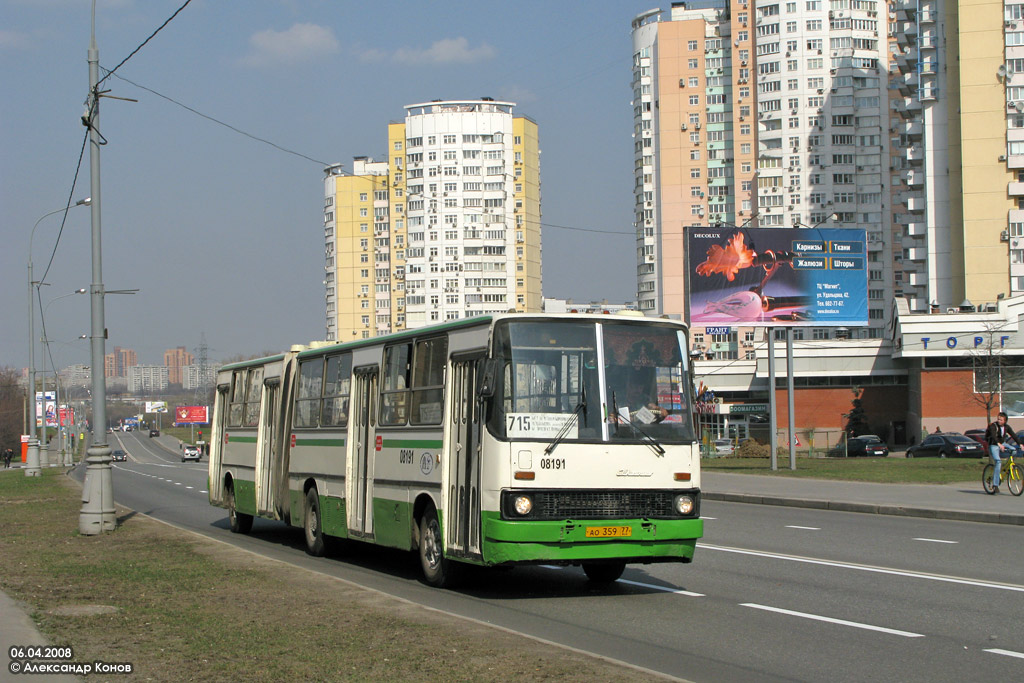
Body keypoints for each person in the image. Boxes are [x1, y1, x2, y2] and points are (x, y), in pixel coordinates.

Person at [984, 412, 1020, 494]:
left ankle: (1008, 467)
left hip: (1002, 444)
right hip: (993, 445)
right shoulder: (993, 426)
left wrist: (1020, 444)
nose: (999, 421)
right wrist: (998, 444)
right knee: (998, 461)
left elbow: (1013, 435)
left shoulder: (1007, 427)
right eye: (998, 419)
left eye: (1001, 419)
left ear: (1005, 421)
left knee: (1014, 450)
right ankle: (995, 485)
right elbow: (993, 435)